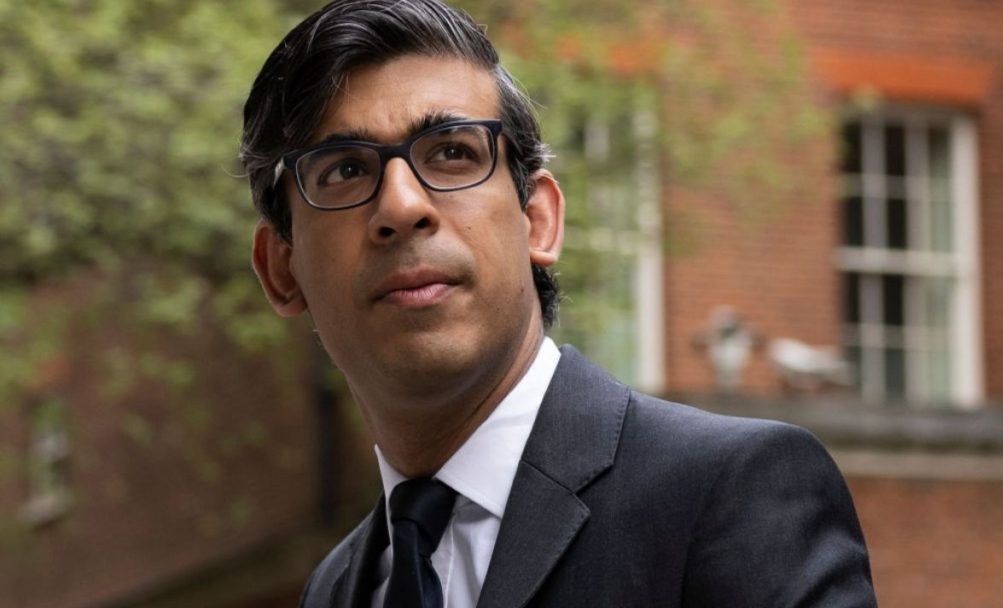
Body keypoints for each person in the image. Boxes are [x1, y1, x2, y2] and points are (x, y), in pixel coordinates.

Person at [241, 0, 877, 606]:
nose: (403, 206)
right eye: (344, 170)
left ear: (539, 222)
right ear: (281, 270)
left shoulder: (731, 492)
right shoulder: (336, 588)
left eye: (453, 152)